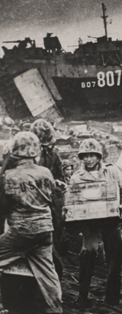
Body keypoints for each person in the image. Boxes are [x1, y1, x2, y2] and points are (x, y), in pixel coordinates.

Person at [0, 132, 62, 314]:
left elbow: (3, 206)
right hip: (45, 229)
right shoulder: (46, 172)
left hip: (22, 230)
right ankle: (55, 309)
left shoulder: (9, 176)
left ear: (14, 151)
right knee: (47, 269)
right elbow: (52, 197)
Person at [69, 138, 122, 308]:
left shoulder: (112, 171)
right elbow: (73, 200)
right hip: (91, 223)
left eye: (92, 155)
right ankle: (83, 295)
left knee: (115, 259)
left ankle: (112, 299)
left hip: (112, 222)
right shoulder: (76, 177)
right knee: (87, 253)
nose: (89, 159)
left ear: (99, 156)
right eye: (85, 156)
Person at [31, 118, 66, 279]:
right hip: (30, 204)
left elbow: (60, 177)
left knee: (53, 240)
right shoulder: (22, 156)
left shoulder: (54, 156)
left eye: (47, 146)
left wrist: (59, 183)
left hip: (50, 204)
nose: (44, 149)